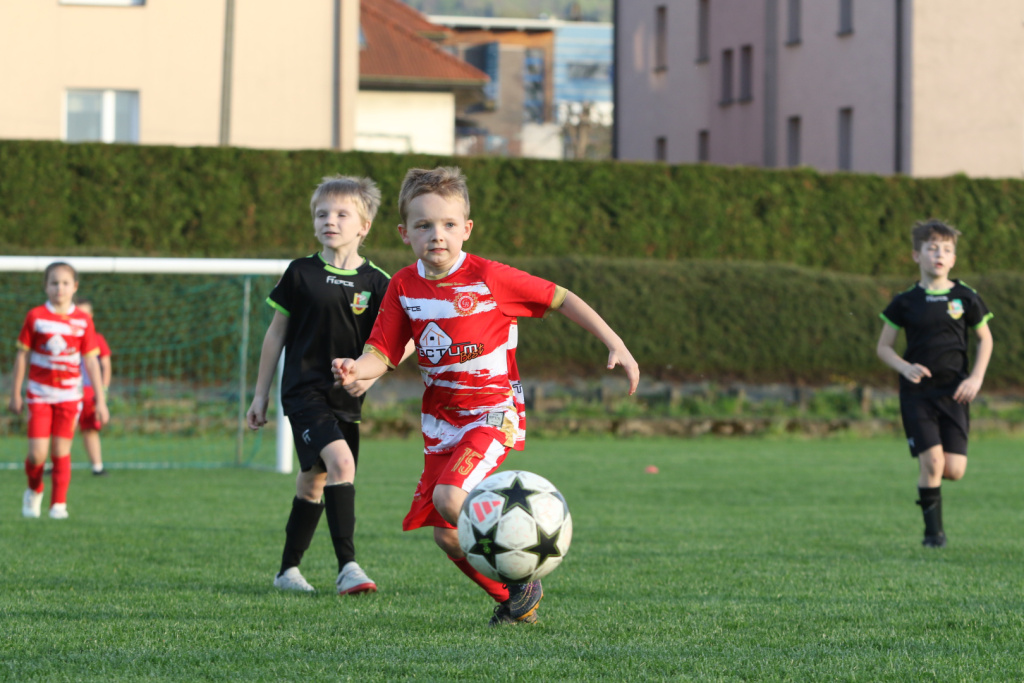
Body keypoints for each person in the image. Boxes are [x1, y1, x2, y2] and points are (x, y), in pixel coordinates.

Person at [332, 166, 640, 626]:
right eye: (424, 225)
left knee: (449, 496)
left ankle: (523, 569)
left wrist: (615, 343)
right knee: (446, 536)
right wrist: (357, 367)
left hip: (492, 413)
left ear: (467, 228)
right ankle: (516, 600)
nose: (437, 235)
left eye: (448, 224)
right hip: (442, 424)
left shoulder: (489, 277)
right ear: (404, 233)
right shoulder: (403, 286)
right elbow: (383, 351)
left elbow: (561, 297)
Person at [247, 174, 411, 596]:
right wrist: (260, 395)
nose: (329, 221)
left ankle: (287, 572)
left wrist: (371, 375)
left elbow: (406, 339)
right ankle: (348, 567)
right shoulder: (300, 272)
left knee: (314, 481)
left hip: (345, 399)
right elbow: (275, 334)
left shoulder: (378, 283)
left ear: (364, 226)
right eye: (322, 214)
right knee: (342, 464)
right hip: (303, 392)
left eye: (341, 214)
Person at [876, 219, 994, 548]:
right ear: (917, 255)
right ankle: (933, 536)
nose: (939, 254)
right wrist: (905, 367)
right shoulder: (905, 302)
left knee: (954, 470)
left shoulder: (965, 297)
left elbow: (986, 339)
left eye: (946, 250)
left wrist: (976, 378)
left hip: (955, 393)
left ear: (953, 259)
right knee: (933, 462)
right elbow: (883, 347)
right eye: (932, 248)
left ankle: (930, 489)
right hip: (918, 395)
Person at [8, 262, 109, 519]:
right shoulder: (36, 316)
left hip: (70, 395)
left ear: (75, 287)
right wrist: (15, 393)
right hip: (39, 394)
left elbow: (91, 361)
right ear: (45, 286)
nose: (59, 288)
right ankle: (34, 489)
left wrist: (100, 400)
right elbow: (22, 356)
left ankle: (58, 506)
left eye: (65, 283)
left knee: (61, 451)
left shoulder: (83, 321)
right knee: (37, 454)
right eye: (54, 283)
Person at [76, 300, 112, 476]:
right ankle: (55, 464)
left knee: (90, 428)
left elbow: (106, 365)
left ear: (91, 316)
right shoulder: (66, 335)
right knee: (61, 430)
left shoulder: (97, 339)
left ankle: (97, 466)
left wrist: (102, 391)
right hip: (68, 391)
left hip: (90, 393)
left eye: (85, 314)